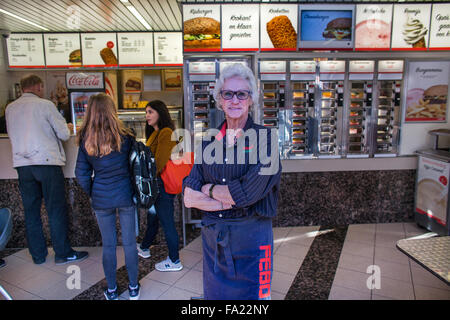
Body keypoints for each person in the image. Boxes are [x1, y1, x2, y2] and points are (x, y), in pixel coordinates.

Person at [183, 63, 282, 300]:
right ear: (220, 99)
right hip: (214, 243)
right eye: (228, 93)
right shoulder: (208, 142)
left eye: (242, 94)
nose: (234, 100)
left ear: (251, 99)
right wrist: (228, 199)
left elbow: (247, 194)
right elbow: (188, 196)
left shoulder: (267, 140)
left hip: (253, 240)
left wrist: (209, 189)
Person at [5, 74, 87, 266]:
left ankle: (38, 255)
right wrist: (66, 126)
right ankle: (62, 253)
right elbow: (64, 134)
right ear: (39, 87)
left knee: (31, 211)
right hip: (47, 162)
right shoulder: (45, 105)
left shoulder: (10, 108)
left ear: (22, 88)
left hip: (23, 165)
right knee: (55, 209)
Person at [75, 93, 140, 300]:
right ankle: (133, 288)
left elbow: (81, 173)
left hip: (102, 199)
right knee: (130, 244)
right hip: (126, 196)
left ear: (90, 112)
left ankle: (112, 290)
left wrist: (94, 190)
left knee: (109, 245)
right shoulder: (126, 135)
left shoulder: (86, 138)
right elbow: (134, 167)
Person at [137, 100, 183, 272]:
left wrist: (146, 177)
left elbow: (160, 162)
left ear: (160, 113)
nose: (147, 115)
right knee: (153, 218)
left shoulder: (165, 132)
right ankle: (144, 247)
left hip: (161, 185)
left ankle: (174, 261)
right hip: (156, 185)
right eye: (146, 112)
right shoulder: (155, 133)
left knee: (167, 222)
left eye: (150, 112)